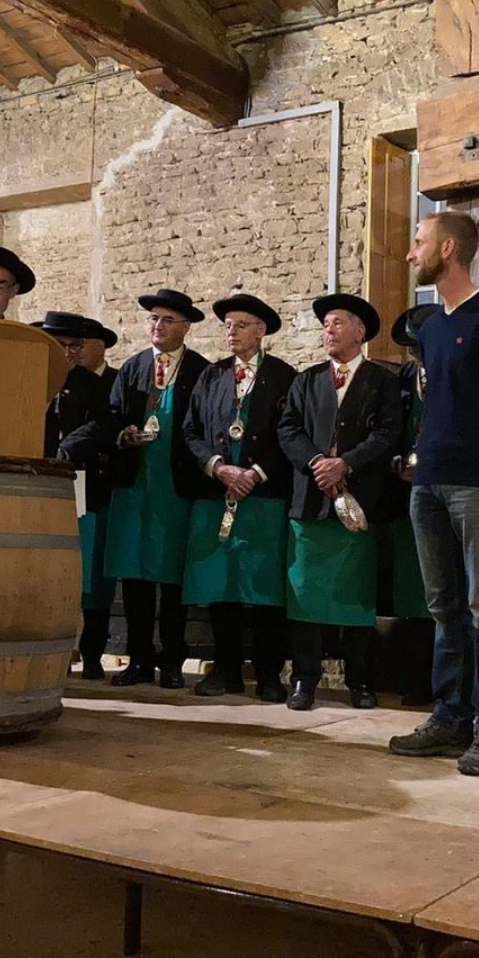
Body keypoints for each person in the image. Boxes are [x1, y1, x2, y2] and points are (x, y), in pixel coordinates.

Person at [388, 211, 479, 776]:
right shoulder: (429, 329)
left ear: (448, 249)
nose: (410, 253)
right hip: (428, 481)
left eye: (418, 242)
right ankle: (449, 716)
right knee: (443, 607)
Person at [61, 289, 209, 689]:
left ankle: (172, 661)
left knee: (173, 578)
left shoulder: (200, 371)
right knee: (135, 576)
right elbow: (110, 416)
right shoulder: (134, 367)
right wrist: (122, 435)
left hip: (175, 486)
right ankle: (139, 660)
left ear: (185, 327)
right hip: (134, 484)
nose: (157, 326)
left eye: (167, 320)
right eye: (153, 319)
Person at [278, 294, 400, 710]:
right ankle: (304, 680)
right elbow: (288, 429)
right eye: (325, 324)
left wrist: (346, 463)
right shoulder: (306, 380)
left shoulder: (382, 381)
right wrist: (317, 463)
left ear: (360, 332)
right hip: (310, 505)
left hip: (360, 504)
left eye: (337, 323)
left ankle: (360, 681)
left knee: (356, 597)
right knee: (306, 594)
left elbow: (387, 434)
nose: (328, 330)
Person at [182, 294, 296, 702]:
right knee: (221, 584)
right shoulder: (211, 376)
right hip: (217, 494)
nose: (231, 332)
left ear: (261, 331)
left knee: (263, 588)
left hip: (263, 496)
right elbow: (190, 431)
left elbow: (291, 434)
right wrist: (218, 467)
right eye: (228, 325)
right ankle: (226, 670)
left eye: (241, 325)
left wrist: (255, 473)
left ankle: (268, 674)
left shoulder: (284, 376)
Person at [38, 311, 119, 679]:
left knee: (88, 576)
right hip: (37, 482)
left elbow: (104, 423)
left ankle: (92, 654)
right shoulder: (31, 376)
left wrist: (69, 446)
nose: (68, 353)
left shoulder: (92, 384)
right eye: (61, 346)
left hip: (80, 483)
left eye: (74, 346)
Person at [387, 303, 440, 704]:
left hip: (446, 494)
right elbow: (388, 428)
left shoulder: (457, 375)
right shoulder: (403, 379)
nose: (415, 354)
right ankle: (415, 678)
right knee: (412, 590)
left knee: (443, 587)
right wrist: (396, 464)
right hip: (406, 494)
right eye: (411, 348)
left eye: (420, 347)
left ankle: (448, 682)